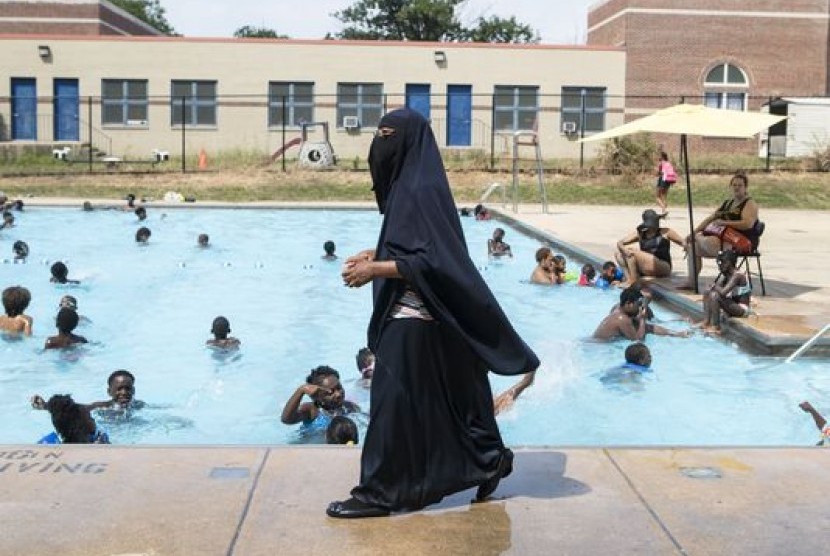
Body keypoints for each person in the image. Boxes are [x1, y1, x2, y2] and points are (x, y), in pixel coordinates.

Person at [331, 108, 539, 518]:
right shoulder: (418, 185)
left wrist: (375, 269)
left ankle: (378, 493)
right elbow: (420, 248)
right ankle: (489, 460)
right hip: (426, 316)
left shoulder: (420, 190)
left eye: (387, 134)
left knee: (390, 406)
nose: (380, 143)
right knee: (439, 404)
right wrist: (376, 254)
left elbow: (433, 261)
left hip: (413, 317)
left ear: (408, 140)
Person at [683, 171, 760, 289]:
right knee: (692, 247)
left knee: (710, 242)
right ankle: (691, 282)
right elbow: (711, 218)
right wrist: (694, 232)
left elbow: (748, 224)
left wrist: (724, 223)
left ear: (745, 187)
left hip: (741, 241)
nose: (737, 188)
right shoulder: (727, 203)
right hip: (722, 240)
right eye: (734, 185)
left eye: (740, 185)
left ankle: (699, 239)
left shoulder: (749, 204)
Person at [281, 366, 361, 437]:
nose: (338, 394)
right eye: (330, 392)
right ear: (316, 397)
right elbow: (286, 419)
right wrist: (301, 390)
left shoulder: (350, 407)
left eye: (339, 388)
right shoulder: (312, 410)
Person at [615, 209, 686, 285]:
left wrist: (687, 247)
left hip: (663, 266)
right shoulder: (641, 233)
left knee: (632, 251)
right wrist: (623, 250)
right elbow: (620, 243)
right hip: (646, 266)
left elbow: (683, 242)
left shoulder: (666, 232)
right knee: (619, 254)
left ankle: (633, 280)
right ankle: (629, 279)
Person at [32, 369, 145, 415]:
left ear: (133, 390)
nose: (124, 392)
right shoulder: (101, 407)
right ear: (109, 392)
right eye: (119, 389)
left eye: (128, 388)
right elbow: (74, 409)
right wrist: (46, 406)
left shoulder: (139, 406)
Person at [593, 286, 687, 340]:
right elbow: (638, 341)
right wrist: (642, 319)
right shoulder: (622, 319)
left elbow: (648, 327)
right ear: (628, 304)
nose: (640, 308)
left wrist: (675, 333)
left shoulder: (619, 309)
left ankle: (677, 334)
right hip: (599, 348)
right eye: (638, 305)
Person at [696, 250, 752, 334]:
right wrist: (711, 289)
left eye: (721, 263)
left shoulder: (737, 276)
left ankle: (716, 326)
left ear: (728, 263)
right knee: (708, 292)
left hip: (742, 310)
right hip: (733, 305)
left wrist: (714, 286)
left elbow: (723, 292)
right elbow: (718, 289)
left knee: (715, 296)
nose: (719, 267)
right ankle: (706, 321)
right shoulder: (728, 275)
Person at [35, 394, 110, 444]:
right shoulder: (100, 442)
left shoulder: (47, 445)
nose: (93, 420)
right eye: (90, 418)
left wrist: (46, 406)